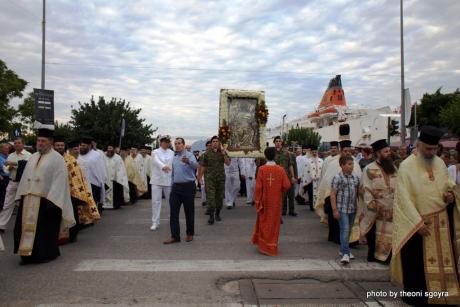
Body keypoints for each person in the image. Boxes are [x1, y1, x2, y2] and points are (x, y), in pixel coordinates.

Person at [391, 126, 460, 306]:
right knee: (416, 264)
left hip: (442, 223)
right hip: (418, 224)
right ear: (419, 145)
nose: (431, 152)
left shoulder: (440, 163)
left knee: (445, 261)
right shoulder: (406, 166)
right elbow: (403, 199)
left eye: (434, 149)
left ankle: (441, 293)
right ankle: (416, 296)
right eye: (428, 148)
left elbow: (448, 185)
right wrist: (417, 223)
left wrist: (449, 195)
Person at [13, 129, 75, 264]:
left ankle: (44, 254)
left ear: (50, 143)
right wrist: (21, 195)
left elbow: (59, 180)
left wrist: (52, 199)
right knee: (23, 228)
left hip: (46, 200)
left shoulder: (57, 159)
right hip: (28, 199)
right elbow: (25, 178)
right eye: (38, 141)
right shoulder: (33, 157)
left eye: (43, 141)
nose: (40, 143)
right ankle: (26, 255)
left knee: (43, 230)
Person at [316, 124, 362, 244]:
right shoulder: (332, 163)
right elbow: (326, 181)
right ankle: (336, 238)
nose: (347, 153)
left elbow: (359, 181)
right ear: (341, 151)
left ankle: (350, 240)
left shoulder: (355, 164)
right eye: (345, 151)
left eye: (349, 151)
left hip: (351, 200)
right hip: (335, 198)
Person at [54, 137, 100, 243]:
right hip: (55, 191)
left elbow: (76, 178)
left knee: (72, 212)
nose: (60, 147)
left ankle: (71, 235)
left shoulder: (71, 160)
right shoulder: (52, 158)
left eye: (61, 145)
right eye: (58, 145)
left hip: (70, 191)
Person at [360, 139, 396, 263]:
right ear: (378, 153)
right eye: (386, 151)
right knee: (374, 236)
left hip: (392, 210)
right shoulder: (369, 169)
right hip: (376, 211)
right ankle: (374, 257)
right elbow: (365, 190)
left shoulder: (394, 168)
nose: (389, 153)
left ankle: (388, 258)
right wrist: (373, 205)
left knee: (390, 236)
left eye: (389, 151)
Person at [251, 147, 291, 256]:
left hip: (265, 201)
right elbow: (287, 185)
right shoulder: (280, 169)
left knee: (264, 222)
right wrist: (279, 191)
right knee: (274, 224)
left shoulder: (261, 169)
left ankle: (264, 246)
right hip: (276, 202)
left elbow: (258, 188)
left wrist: (257, 201)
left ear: (265, 156)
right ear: (275, 156)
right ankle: (272, 246)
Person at [163, 138, 199, 244]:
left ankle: (190, 233)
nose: (177, 145)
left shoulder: (189, 155)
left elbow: (196, 166)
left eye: (179, 143)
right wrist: (172, 185)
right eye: (175, 144)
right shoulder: (174, 158)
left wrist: (188, 162)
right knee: (173, 212)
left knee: (189, 212)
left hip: (188, 186)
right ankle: (175, 236)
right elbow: (173, 174)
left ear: (183, 145)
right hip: (176, 188)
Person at [331, 156, 360, 264]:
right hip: (341, 209)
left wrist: (358, 207)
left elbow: (357, 193)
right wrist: (334, 210)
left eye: (352, 164)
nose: (351, 166)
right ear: (342, 165)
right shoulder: (337, 178)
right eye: (349, 164)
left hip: (352, 209)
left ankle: (343, 249)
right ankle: (345, 254)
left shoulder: (355, 178)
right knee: (345, 229)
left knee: (348, 231)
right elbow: (333, 194)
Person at [0, 138, 31, 233]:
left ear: (23, 144)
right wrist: (9, 167)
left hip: (24, 183)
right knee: (7, 204)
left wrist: (13, 163)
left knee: (25, 205)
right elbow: (5, 170)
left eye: (19, 143)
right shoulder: (10, 155)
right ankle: (1, 225)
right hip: (12, 181)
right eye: (15, 143)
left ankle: (26, 226)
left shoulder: (28, 155)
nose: (17, 145)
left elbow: (28, 165)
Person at [198, 136, 230, 225]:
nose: (215, 143)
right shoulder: (206, 154)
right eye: (213, 141)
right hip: (210, 179)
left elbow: (228, 163)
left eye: (217, 141)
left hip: (220, 179)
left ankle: (218, 214)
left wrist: (224, 153)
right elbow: (203, 166)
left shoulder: (222, 153)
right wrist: (200, 178)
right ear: (211, 144)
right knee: (211, 199)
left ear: (219, 143)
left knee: (219, 198)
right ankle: (211, 216)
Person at [151, 136, 174, 230]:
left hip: (168, 180)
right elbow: (156, 161)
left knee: (171, 202)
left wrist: (166, 167)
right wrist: (163, 166)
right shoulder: (155, 152)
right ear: (160, 143)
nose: (166, 143)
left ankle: (172, 220)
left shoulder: (172, 152)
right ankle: (155, 222)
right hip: (157, 180)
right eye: (164, 142)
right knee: (156, 202)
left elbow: (172, 163)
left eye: (167, 142)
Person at [78, 137, 106, 213]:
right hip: (80, 182)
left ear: (89, 146)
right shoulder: (78, 154)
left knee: (92, 202)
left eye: (84, 146)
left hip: (93, 182)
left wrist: (101, 180)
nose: (82, 147)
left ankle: (92, 216)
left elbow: (101, 169)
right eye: (81, 145)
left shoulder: (96, 155)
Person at [273, 136, 297, 217]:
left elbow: (290, 165)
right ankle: (283, 210)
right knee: (282, 195)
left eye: (279, 141)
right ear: (274, 143)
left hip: (288, 176)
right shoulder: (272, 153)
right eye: (276, 141)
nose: (278, 142)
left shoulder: (286, 153)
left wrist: (293, 177)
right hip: (277, 178)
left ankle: (291, 210)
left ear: (281, 143)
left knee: (291, 194)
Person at [104, 144, 130, 209]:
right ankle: (104, 204)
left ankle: (115, 205)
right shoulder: (103, 156)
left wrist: (117, 177)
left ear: (114, 149)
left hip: (115, 179)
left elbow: (121, 169)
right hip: (105, 178)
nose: (109, 150)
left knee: (115, 192)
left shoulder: (117, 157)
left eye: (111, 148)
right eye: (108, 148)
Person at [301, 145, 323, 211]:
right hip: (311, 181)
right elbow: (305, 171)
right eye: (313, 152)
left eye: (315, 152)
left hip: (319, 180)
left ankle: (317, 205)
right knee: (311, 194)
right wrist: (309, 178)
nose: (314, 153)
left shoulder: (321, 161)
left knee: (318, 193)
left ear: (317, 152)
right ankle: (312, 206)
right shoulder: (308, 161)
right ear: (311, 152)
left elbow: (323, 170)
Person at [0, 143, 11, 211]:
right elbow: (4, 169)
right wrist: (13, 165)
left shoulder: (9, 156)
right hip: (2, 178)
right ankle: (2, 208)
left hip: (9, 178)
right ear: (1, 149)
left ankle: (5, 207)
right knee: (2, 193)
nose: (7, 150)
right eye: (6, 148)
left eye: (8, 148)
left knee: (7, 194)